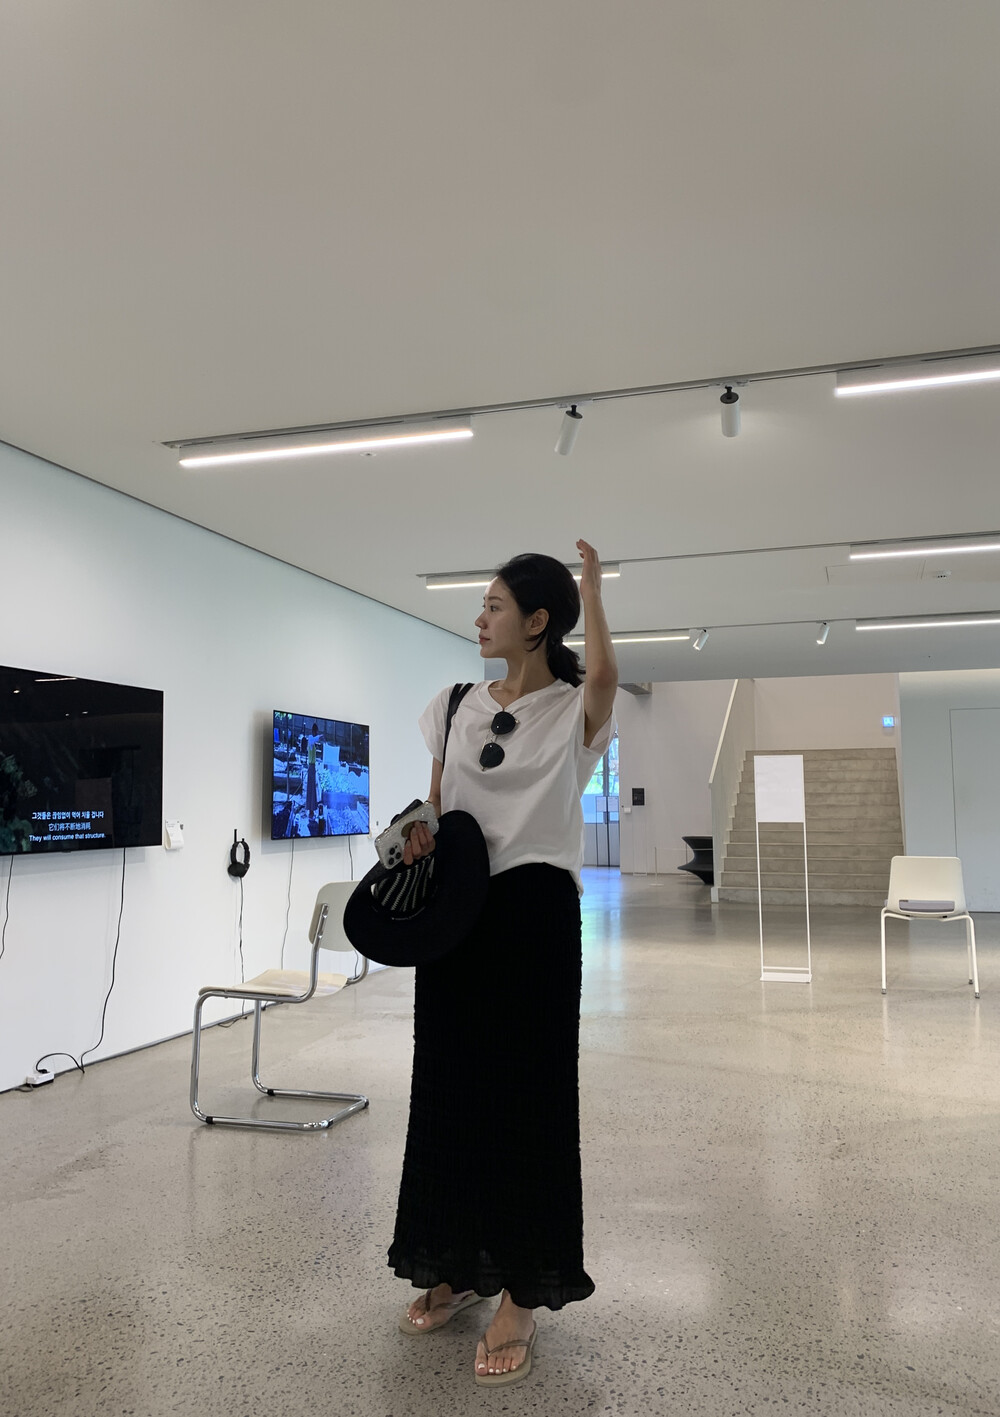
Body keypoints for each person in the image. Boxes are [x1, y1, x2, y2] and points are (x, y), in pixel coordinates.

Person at [390, 539, 618, 1387]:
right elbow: (439, 805)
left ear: (538, 620)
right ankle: (454, 1262)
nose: (479, 618)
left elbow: (603, 676)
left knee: (529, 1100)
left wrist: (594, 591)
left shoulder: (573, 710)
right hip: (458, 914)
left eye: (494, 605)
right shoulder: (452, 705)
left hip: (534, 919)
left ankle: (521, 1288)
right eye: (482, 604)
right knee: (449, 1090)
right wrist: (416, 833)